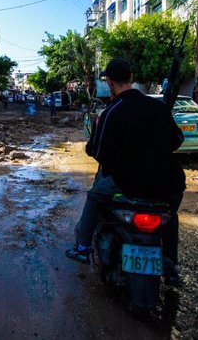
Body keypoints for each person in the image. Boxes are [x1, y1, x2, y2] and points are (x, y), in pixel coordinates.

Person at [65, 59, 185, 285]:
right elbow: (177, 140)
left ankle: (82, 247)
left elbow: (97, 152)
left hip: (128, 184)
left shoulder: (112, 111)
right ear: (131, 78)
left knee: (94, 196)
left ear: (109, 83)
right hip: (169, 183)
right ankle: (170, 265)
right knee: (171, 214)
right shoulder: (159, 107)